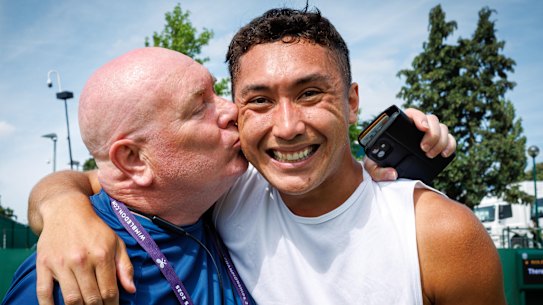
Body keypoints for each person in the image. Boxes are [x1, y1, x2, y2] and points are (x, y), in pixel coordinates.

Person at [24, 6, 503, 305]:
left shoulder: (438, 235)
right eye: (259, 100)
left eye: (311, 93)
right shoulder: (228, 192)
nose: (288, 125)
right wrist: (64, 211)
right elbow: (100, 179)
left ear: (353, 101)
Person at [2, 47, 255, 305]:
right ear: (133, 160)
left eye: (215, 91)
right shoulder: (69, 278)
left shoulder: (224, 195)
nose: (232, 110)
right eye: (199, 107)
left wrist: (61, 202)